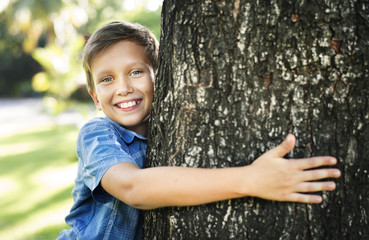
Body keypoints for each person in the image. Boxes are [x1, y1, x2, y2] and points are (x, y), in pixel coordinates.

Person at [58, 21, 341, 240]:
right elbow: (133, 187)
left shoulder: (168, 126)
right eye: (107, 79)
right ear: (95, 98)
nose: (123, 88)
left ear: (163, 77)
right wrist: (250, 180)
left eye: (136, 72)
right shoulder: (97, 134)